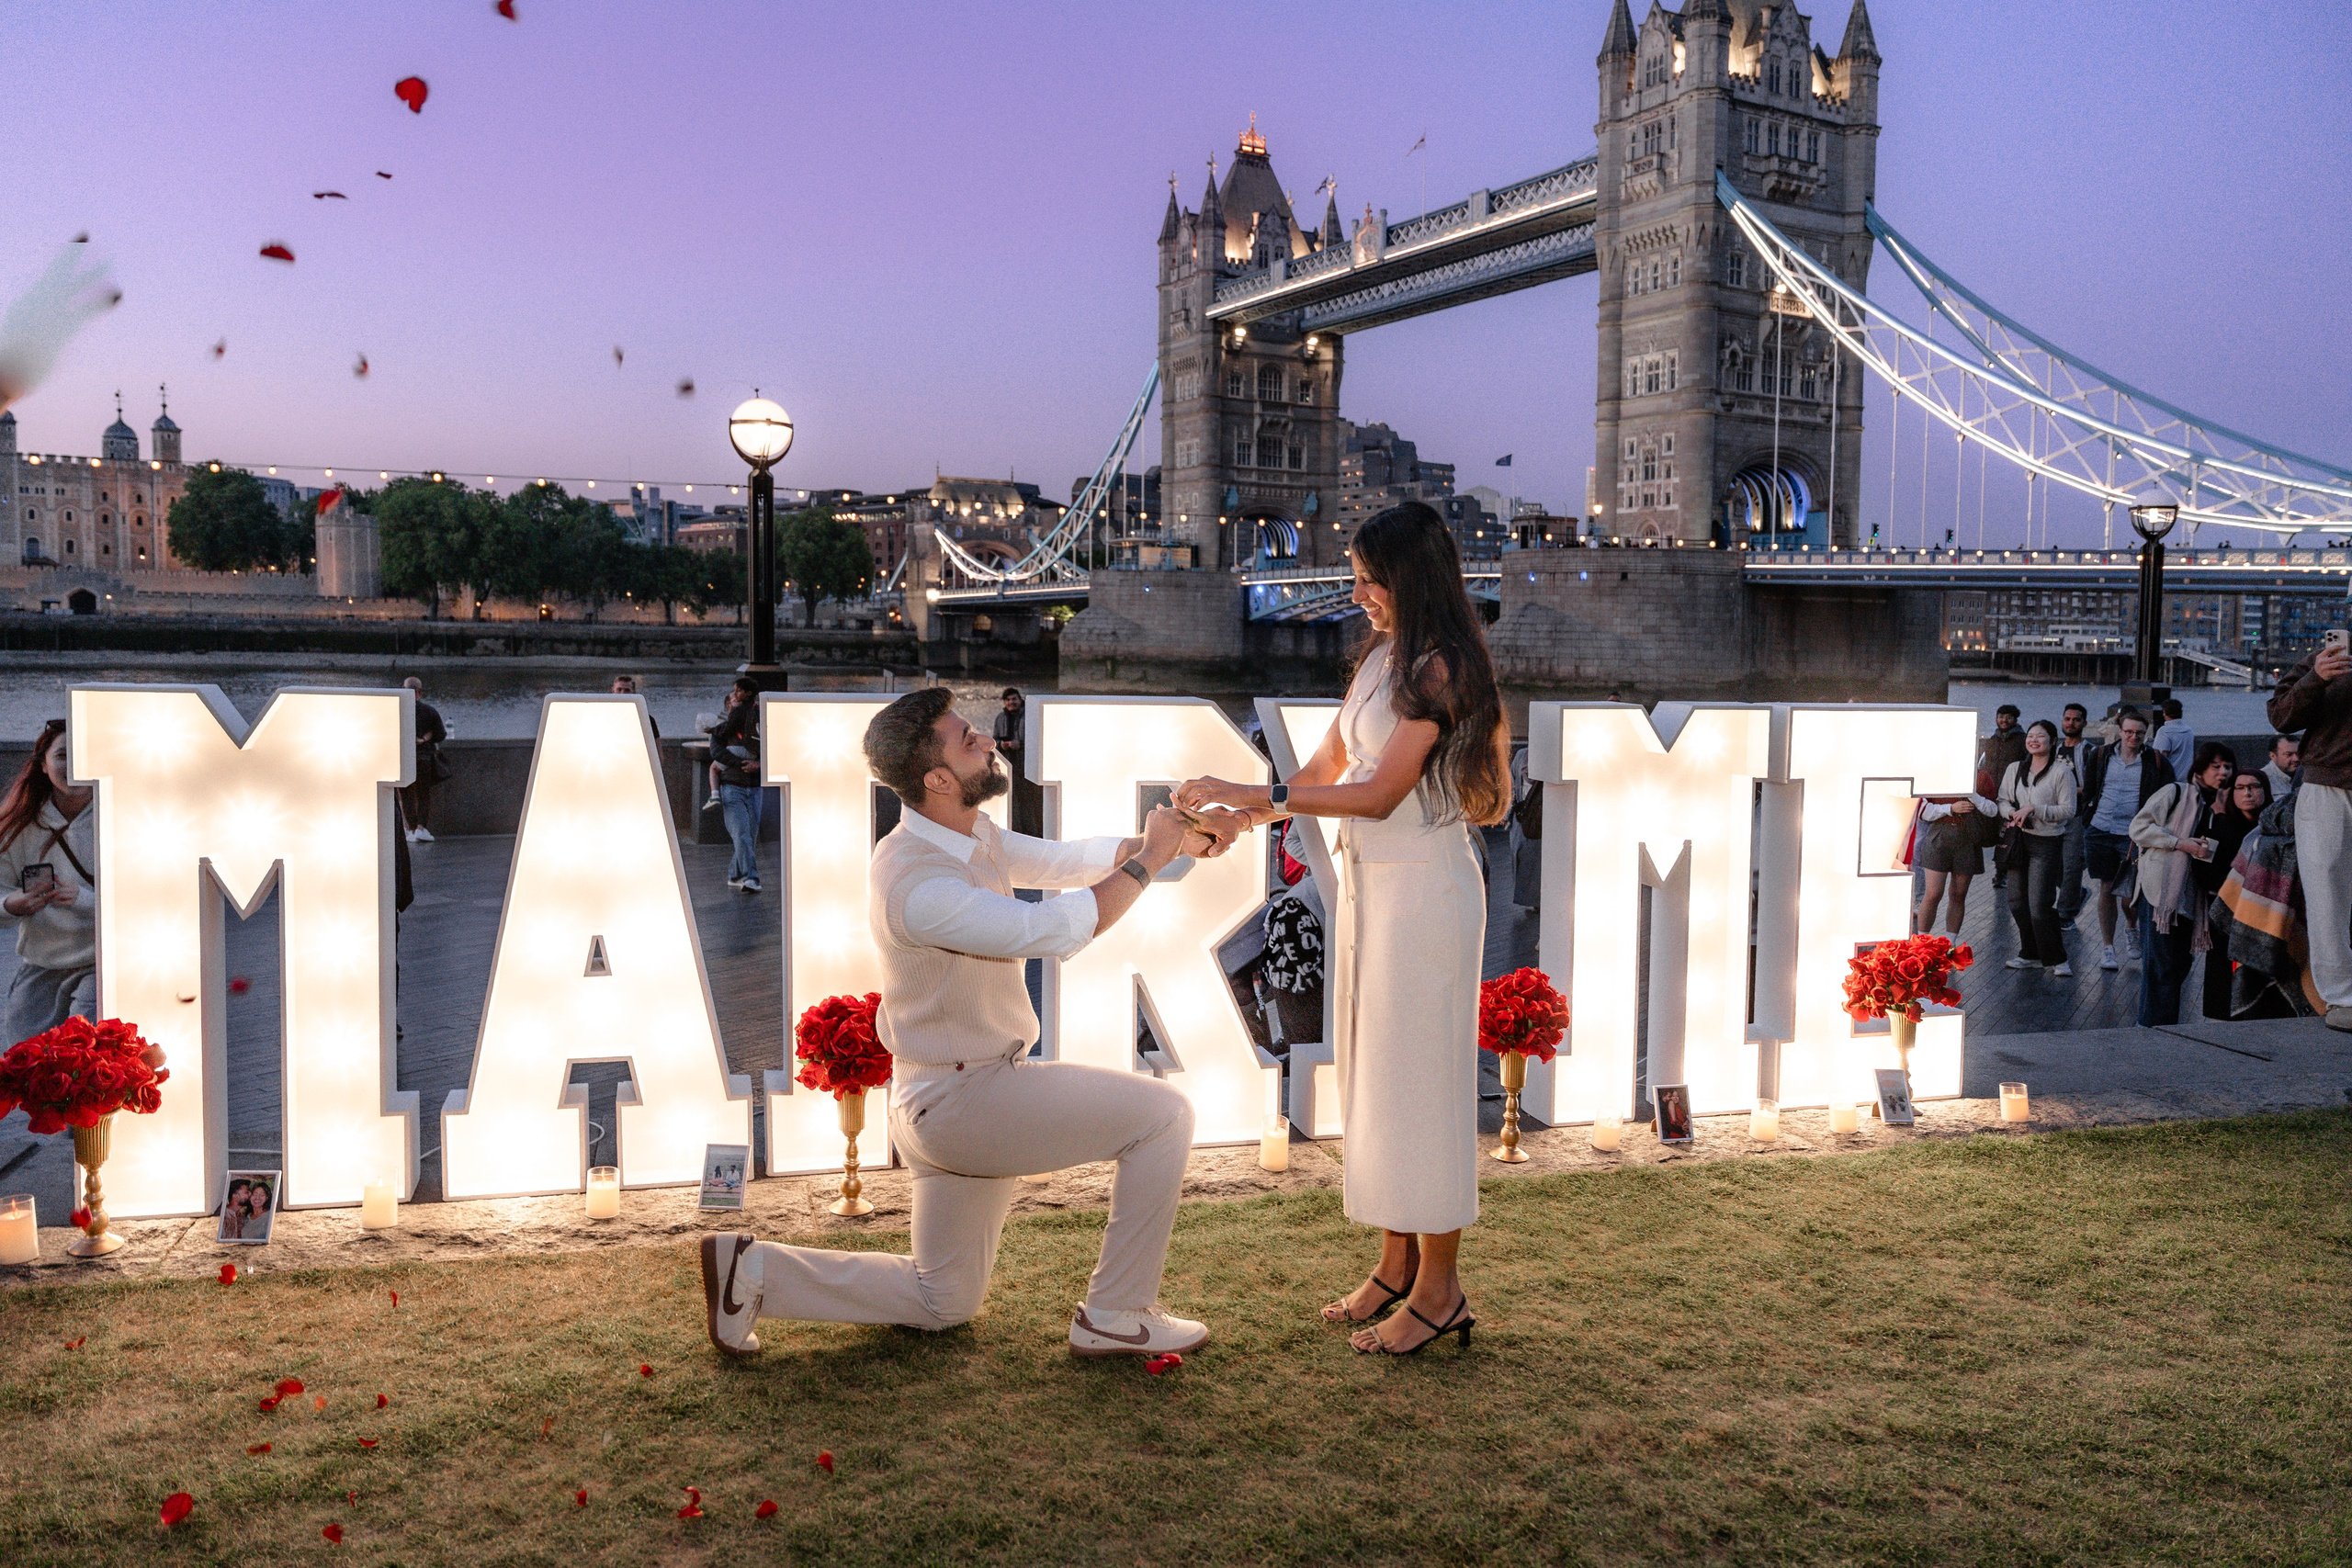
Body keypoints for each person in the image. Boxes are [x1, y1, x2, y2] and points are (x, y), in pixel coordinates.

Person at [696, 686, 1231, 1360]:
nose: (983, 738)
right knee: (1164, 1115)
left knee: (942, 1300)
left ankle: (754, 1271)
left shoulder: (967, 832)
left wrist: (1170, 840)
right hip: (963, 1100)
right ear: (938, 779)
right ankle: (1116, 1313)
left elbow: (1061, 861)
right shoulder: (918, 884)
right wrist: (1150, 858)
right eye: (965, 738)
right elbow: (1049, 928)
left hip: (947, 1096)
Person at [1176, 502, 1510, 1356]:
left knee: (1425, 1082)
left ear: (1413, 576)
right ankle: (1397, 1262)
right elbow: (1328, 765)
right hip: (1373, 890)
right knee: (1378, 1074)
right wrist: (1242, 806)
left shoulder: (1442, 669)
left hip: (1427, 893)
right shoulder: (1383, 661)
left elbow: (1378, 792)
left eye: (1371, 577)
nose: (1357, 591)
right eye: (1355, 576)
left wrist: (1262, 799)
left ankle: (1441, 1291)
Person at [2267, 634, 2352, 1031]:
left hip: (2329, 784)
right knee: (2327, 895)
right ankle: (2342, 998)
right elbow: (2281, 716)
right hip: (2327, 788)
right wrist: (2316, 677)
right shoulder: (2324, 658)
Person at [0, 720, 96, 1045]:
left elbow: (149, 897)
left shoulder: (123, 816)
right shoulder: (20, 824)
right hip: (40, 965)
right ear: (43, 765)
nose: (76, 766)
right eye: (65, 755)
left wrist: (87, 900)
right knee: (25, 1072)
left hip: (102, 965)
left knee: (82, 1062)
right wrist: (11, 904)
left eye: (87, 754)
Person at [2128, 741, 2233, 1027]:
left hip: (2193, 896)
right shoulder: (2175, 792)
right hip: (2161, 894)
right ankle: (2152, 1027)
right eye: (2216, 767)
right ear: (2199, 769)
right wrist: (2179, 843)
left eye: (2227, 767)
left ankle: (2161, 1024)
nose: (2223, 772)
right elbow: (2138, 828)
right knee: (2159, 965)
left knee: (2179, 965)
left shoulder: (2221, 805)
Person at [2077, 709, 2175, 972]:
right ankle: (2108, 948)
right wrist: (2088, 818)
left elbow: (2169, 796)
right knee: (2106, 889)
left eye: (2139, 733)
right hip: (2100, 830)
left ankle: (2131, 928)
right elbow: (2089, 789)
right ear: (2119, 731)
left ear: (2147, 734)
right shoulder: (2099, 756)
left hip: (2134, 835)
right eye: (2129, 732)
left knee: (2130, 894)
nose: (2133, 737)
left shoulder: (2156, 761)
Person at [1998, 719, 2077, 975]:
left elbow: (2069, 810)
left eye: (2040, 736)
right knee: (2016, 902)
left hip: (2047, 841)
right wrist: (2012, 813)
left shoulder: (2061, 772)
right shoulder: (2015, 769)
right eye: (2030, 736)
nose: (2033, 740)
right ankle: (2030, 953)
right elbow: (2002, 800)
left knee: (2040, 906)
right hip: (2019, 840)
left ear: (2052, 742)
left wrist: (2035, 809)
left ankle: (2057, 958)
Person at [2198, 770, 2271, 1021]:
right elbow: (2202, 874)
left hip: (2267, 915)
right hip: (2226, 911)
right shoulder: (2217, 828)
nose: (2248, 793)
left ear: (2265, 790)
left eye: (2254, 786)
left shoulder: (2277, 829)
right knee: (2222, 977)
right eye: (2240, 788)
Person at [1911, 784, 1992, 938]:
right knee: (1933, 893)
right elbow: (1922, 811)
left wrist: (1974, 796)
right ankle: (1922, 942)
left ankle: (1950, 944)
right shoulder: (1939, 778)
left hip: (1968, 838)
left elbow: (1993, 810)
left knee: (1958, 894)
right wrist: (1950, 808)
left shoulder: (1981, 777)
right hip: (1939, 835)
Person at [708, 677, 763, 894]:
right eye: (732, 702)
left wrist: (759, 764)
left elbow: (772, 748)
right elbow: (716, 753)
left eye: (738, 695)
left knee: (749, 837)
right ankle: (752, 878)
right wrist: (739, 762)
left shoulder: (758, 728)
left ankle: (734, 874)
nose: (735, 702)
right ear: (728, 708)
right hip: (732, 787)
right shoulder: (721, 731)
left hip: (756, 787)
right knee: (741, 834)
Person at [1979, 705, 2029, 889]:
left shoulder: (2022, 741)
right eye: (2000, 716)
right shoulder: (1991, 740)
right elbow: (1982, 766)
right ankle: (1996, 871)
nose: (2004, 720)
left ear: (2015, 720)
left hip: (2011, 797)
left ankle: (2002, 874)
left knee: (2006, 837)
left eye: (2008, 717)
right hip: (1990, 795)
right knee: (1991, 834)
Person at [400, 676, 447, 844]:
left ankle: (410, 830)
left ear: (403, 689)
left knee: (405, 795)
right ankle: (421, 829)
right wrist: (427, 737)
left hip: (403, 758)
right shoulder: (430, 712)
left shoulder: (397, 710)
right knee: (423, 795)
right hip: (424, 758)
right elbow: (441, 735)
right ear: (419, 692)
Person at [2054, 704, 2091, 921]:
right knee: (2053, 866)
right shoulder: (2055, 750)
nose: (2071, 723)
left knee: (2071, 866)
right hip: (2053, 816)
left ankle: (2065, 914)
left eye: (2076, 719)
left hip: (2077, 816)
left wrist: (2069, 790)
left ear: (2084, 723)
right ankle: (2076, 893)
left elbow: (2094, 787)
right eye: (2067, 719)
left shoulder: (2089, 751)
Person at [991, 688, 1044, 838]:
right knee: (1015, 802)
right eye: (1007, 700)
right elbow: (994, 740)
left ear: (1020, 700)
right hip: (1010, 767)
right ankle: (1019, 832)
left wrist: (1020, 744)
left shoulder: (1031, 716)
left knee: (1033, 801)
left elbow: (1039, 738)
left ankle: (1037, 833)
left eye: (1013, 699)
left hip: (1029, 767)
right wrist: (1001, 744)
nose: (1011, 703)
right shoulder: (1000, 718)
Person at [2150, 696, 2196, 785]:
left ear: (2164, 712)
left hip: (2170, 782)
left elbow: (2160, 758)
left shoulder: (2164, 731)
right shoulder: (2189, 731)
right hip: (2187, 781)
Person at [611, 674, 658, 741]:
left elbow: (657, 747)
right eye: (619, 689)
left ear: (633, 692)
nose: (622, 693)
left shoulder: (646, 719)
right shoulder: (603, 716)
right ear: (613, 691)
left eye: (627, 690)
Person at [2263, 733, 2300, 803]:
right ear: (2273, 756)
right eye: (2289, 754)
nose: (2296, 759)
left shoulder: (2307, 776)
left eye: (2298, 754)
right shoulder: (2263, 780)